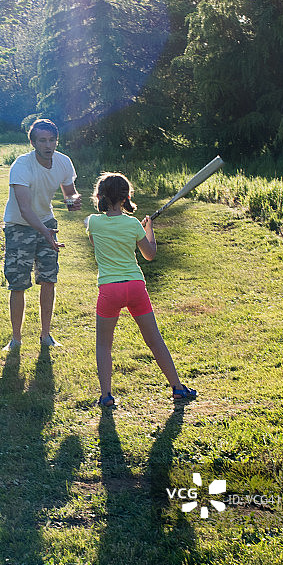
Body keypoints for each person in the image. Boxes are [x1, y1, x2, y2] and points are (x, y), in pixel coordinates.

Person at [85, 172, 197, 407]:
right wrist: (148, 229)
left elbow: (96, 242)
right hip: (135, 287)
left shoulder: (93, 222)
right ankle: (177, 387)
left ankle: (106, 395)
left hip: (109, 289)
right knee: (155, 340)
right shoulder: (134, 224)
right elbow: (149, 254)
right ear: (126, 197)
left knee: (104, 345)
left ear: (100, 196)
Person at [3, 118, 81, 350]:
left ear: (57, 140)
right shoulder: (21, 165)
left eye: (52, 140)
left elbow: (70, 192)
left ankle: (46, 335)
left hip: (47, 222)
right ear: (33, 143)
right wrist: (45, 232)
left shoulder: (64, 162)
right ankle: (16, 340)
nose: (48, 145)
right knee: (18, 283)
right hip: (18, 226)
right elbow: (25, 208)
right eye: (43, 140)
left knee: (49, 278)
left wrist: (72, 202)